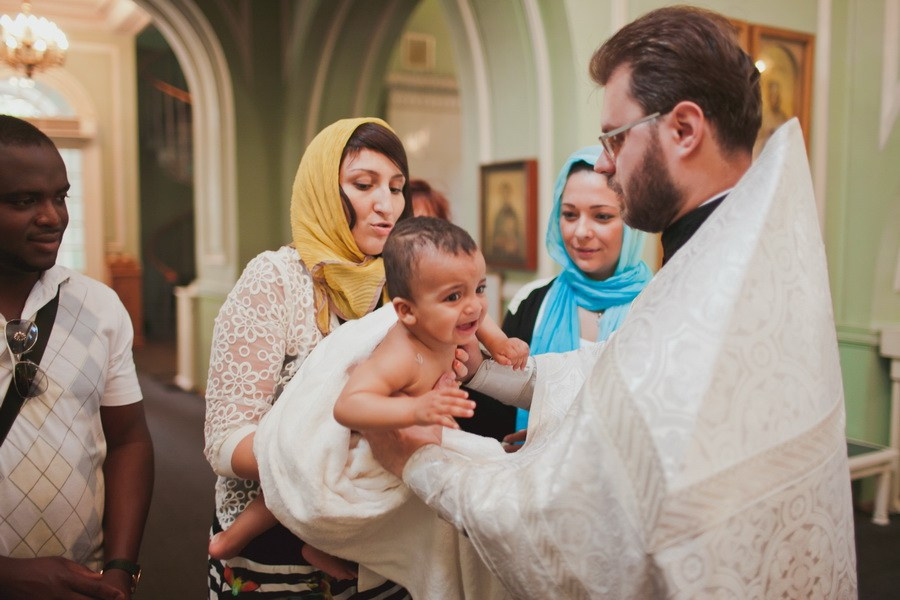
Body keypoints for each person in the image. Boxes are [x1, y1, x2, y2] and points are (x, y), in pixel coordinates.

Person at [365, 6, 857, 598]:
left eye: (616, 138)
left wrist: (415, 461)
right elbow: (613, 374)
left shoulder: (716, 298)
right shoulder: (743, 260)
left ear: (684, 129)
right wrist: (491, 374)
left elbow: (560, 533)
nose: (603, 161)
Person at [205, 117, 458, 598]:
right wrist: (344, 445)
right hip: (277, 556)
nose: (387, 205)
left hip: (375, 545)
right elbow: (224, 443)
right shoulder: (276, 280)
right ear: (323, 190)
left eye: (396, 188)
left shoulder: (401, 284)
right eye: (364, 185)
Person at [208, 217, 528, 563]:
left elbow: (481, 321)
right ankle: (235, 537)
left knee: (408, 489)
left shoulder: (455, 314)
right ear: (406, 311)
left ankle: (324, 545)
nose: (474, 306)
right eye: (454, 296)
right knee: (296, 472)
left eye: (479, 288)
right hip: (354, 430)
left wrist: (500, 343)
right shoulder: (402, 355)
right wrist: (415, 409)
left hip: (398, 428)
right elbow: (347, 406)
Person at [0, 115, 154, 600]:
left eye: (60, 197)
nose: (53, 217)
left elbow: (128, 441)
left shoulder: (99, 306)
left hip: (83, 583)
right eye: (23, 201)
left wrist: (119, 569)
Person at [467, 146, 652, 440]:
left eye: (602, 216)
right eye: (569, 214)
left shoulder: (655, 305)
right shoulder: (532, 301)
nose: (580, 232)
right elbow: (496, 413)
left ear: (631, 222)